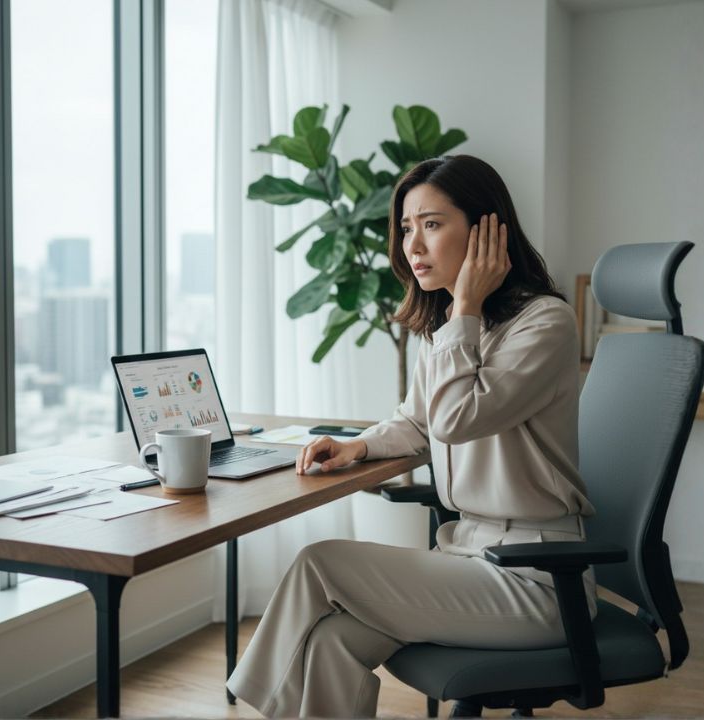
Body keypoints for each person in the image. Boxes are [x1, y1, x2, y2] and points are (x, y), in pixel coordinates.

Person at [226, 155, 596, 718]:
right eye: (405, 228)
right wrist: (360, 445)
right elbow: (420, 420)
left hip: (538, 578)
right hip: (470, 554)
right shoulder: (451, 328)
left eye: (432, 224)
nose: (412, 246)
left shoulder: (544, 324)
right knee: (332, 641)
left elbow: (456, 419)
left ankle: (248, 699)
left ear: (487, 231)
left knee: (319, 563)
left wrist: (465, 306)